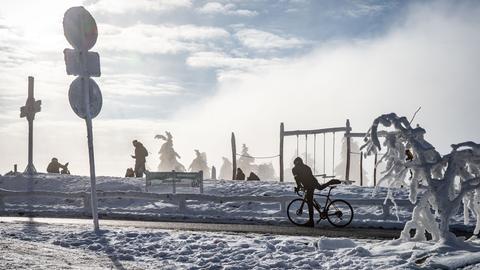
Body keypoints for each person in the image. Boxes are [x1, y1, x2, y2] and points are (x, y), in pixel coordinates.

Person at [292, 157, 341, 227]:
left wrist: (299, 187)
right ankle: (330, 182)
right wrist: (301, 185)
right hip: (313, 182)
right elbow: (307, 177)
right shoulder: (307, 167)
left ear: (295, 163)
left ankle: (311, 221)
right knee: (320, 188)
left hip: (309, 185)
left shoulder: (295, 169)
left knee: (309, 203)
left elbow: (297, 179)